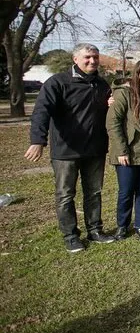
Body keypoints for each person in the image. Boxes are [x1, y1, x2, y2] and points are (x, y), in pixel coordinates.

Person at [26, 43, 115, 252]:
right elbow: (41, 111)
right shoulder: (58, 83)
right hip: (66, 151)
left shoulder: (102, 85)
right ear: (75, 59)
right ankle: (71, 236)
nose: (92, 61)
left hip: (95, 149)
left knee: (94, 192)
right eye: (87, 57)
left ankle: (95, 230)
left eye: (95, 57)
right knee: (66, 195)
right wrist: (38, 140)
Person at [106, 59, 140, 242]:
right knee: (126, 191)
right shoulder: (124, 94)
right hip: (127, 153)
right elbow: (113, 123)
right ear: (137, 74)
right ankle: (122, 226)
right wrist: (122, 150)